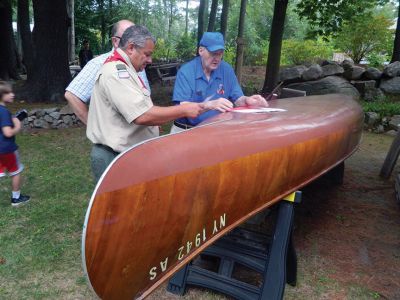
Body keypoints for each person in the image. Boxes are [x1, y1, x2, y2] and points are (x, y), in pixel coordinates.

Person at [87, 25, 205, 182]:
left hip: (124, 155)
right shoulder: (117, 73)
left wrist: (152, 126)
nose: (150, 60)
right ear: (130, 48)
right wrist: (183, 110)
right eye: (147, 54)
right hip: (115, 157)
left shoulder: (126, 69)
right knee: (121, 206)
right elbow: (142, 115)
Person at [171, 32, 268, 133]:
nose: (217, 58)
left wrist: (247, 100)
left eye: (220, 53)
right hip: (185, 130)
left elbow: (238, 98)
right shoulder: (186, 71)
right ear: (201, 50)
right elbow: (183, 108)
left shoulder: (226, 70)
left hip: (217, 130)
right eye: (213, 53)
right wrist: (209, 105)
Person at [64, 20, 151, 124]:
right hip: (116, 139)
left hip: (140, 136)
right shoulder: (99, 64)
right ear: (115, 41)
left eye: (137, 38)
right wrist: (93, 126)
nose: (135, 44)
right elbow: (72, 95)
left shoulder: (138, 63)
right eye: (128, 39)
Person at [0, 82, 30, 207]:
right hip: (7, 148)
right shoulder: (4, 112)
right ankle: (16, 198)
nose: (12, 94)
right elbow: (7, 132)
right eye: (8, 93)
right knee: (15, 171)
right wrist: (17, 125)